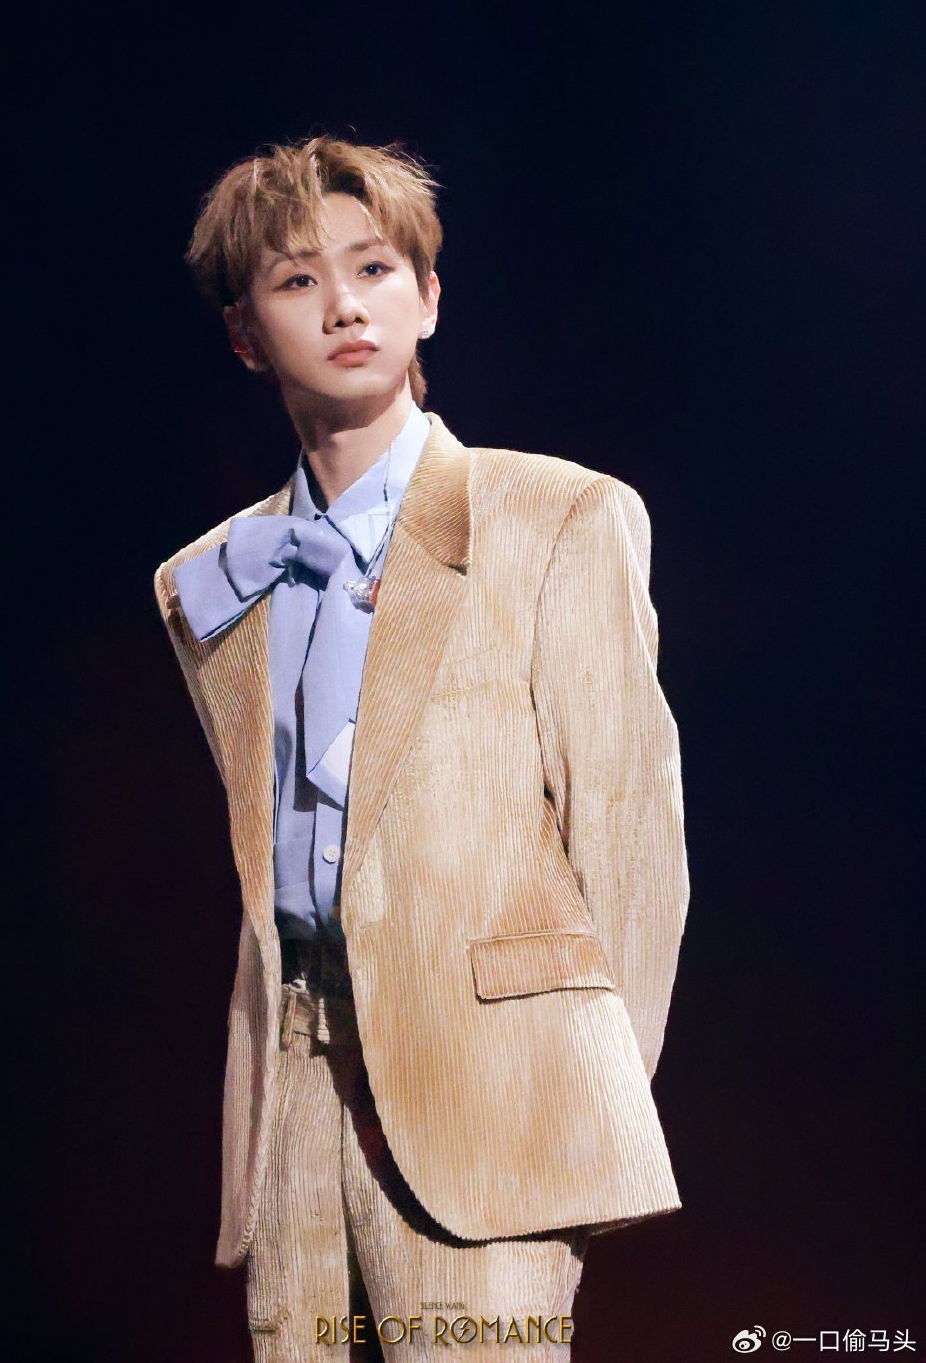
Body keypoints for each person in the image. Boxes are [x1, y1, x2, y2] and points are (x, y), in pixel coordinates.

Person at [153, 134, 690, 1362]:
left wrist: (582, 1102)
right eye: (297, 281)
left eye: (374, 269)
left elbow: (632, 844)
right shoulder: (210, 581)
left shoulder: (556, 518)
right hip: (293, 1111)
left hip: (492, 1096)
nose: (343, 306)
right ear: (245, 335)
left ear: (429, 297)